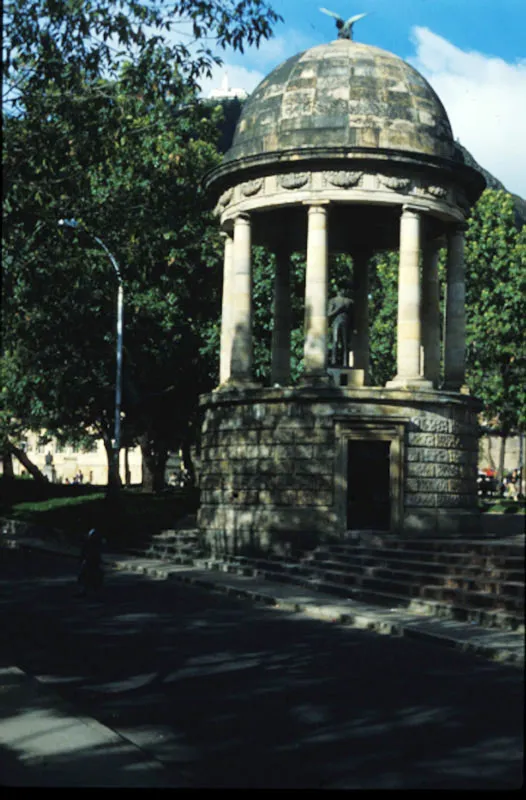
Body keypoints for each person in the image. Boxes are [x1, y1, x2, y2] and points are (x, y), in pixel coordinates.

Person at [77, 528, 104, 597]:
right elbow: (83, 552)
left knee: (96, 575)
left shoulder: (96, 544)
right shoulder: (88, 543)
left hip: (93, 561)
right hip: (89, 561)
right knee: (83, 575)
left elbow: (98, 553)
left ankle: (94, 590)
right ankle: (84, 590)